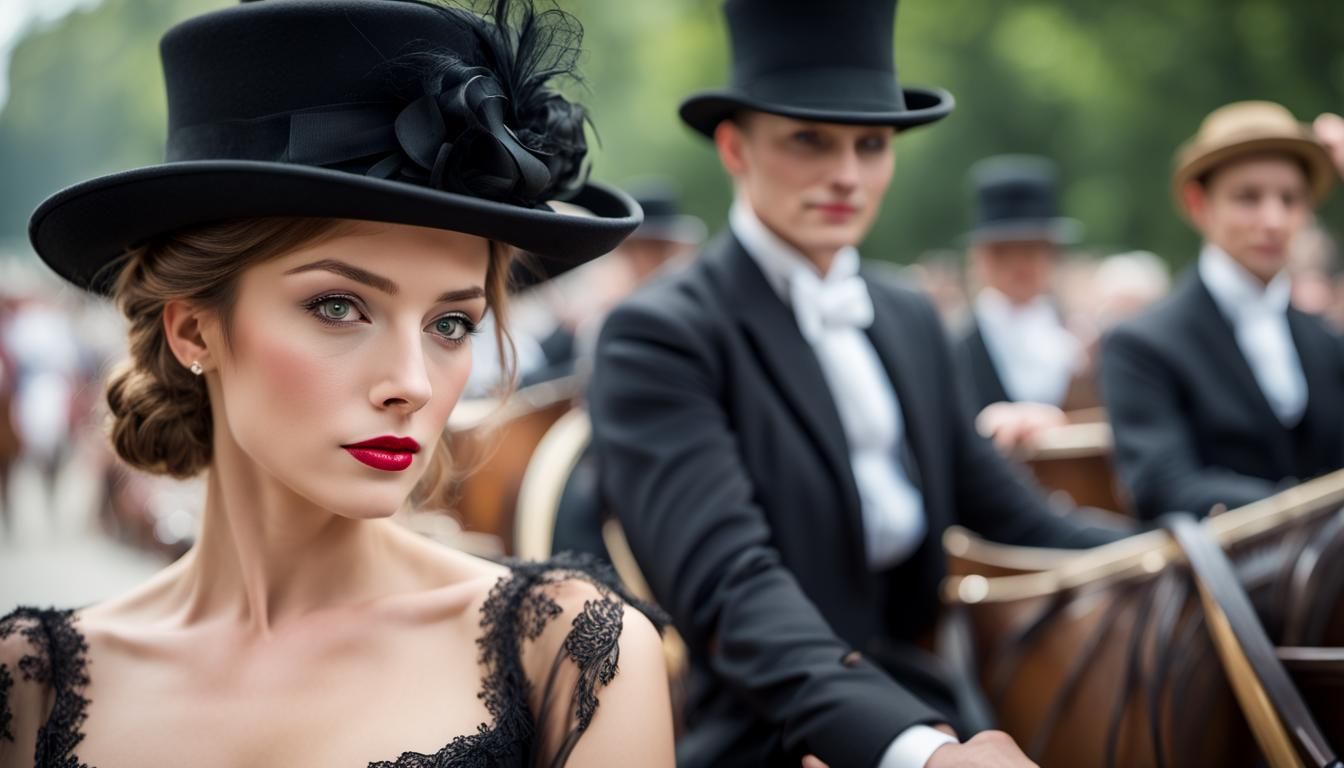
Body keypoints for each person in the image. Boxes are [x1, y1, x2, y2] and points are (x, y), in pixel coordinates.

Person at [0, 2, 675, 767]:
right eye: (339, 306)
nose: (412, 385)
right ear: (192, 329)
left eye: (451, 324)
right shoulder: (29, 688)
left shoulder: (571, 658)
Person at [587, 1, 1126, 766]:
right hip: (767, 726)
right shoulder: (659, 334)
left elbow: (1014, 517)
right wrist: (915, 751)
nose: (846, 175)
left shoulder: (908, 315)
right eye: (809, 140)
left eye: (871, 144)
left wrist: (1202, 549)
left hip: (940, 696)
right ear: (736, 149)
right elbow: (732, 591)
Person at [1101, 100, 1343, 521]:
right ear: (1199, 205)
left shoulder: (1324, 342)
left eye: (1290, 199)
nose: (1273, 220)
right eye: (1247, 197)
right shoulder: (1141, 345)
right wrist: (1309, 514)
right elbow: (1165, 486)